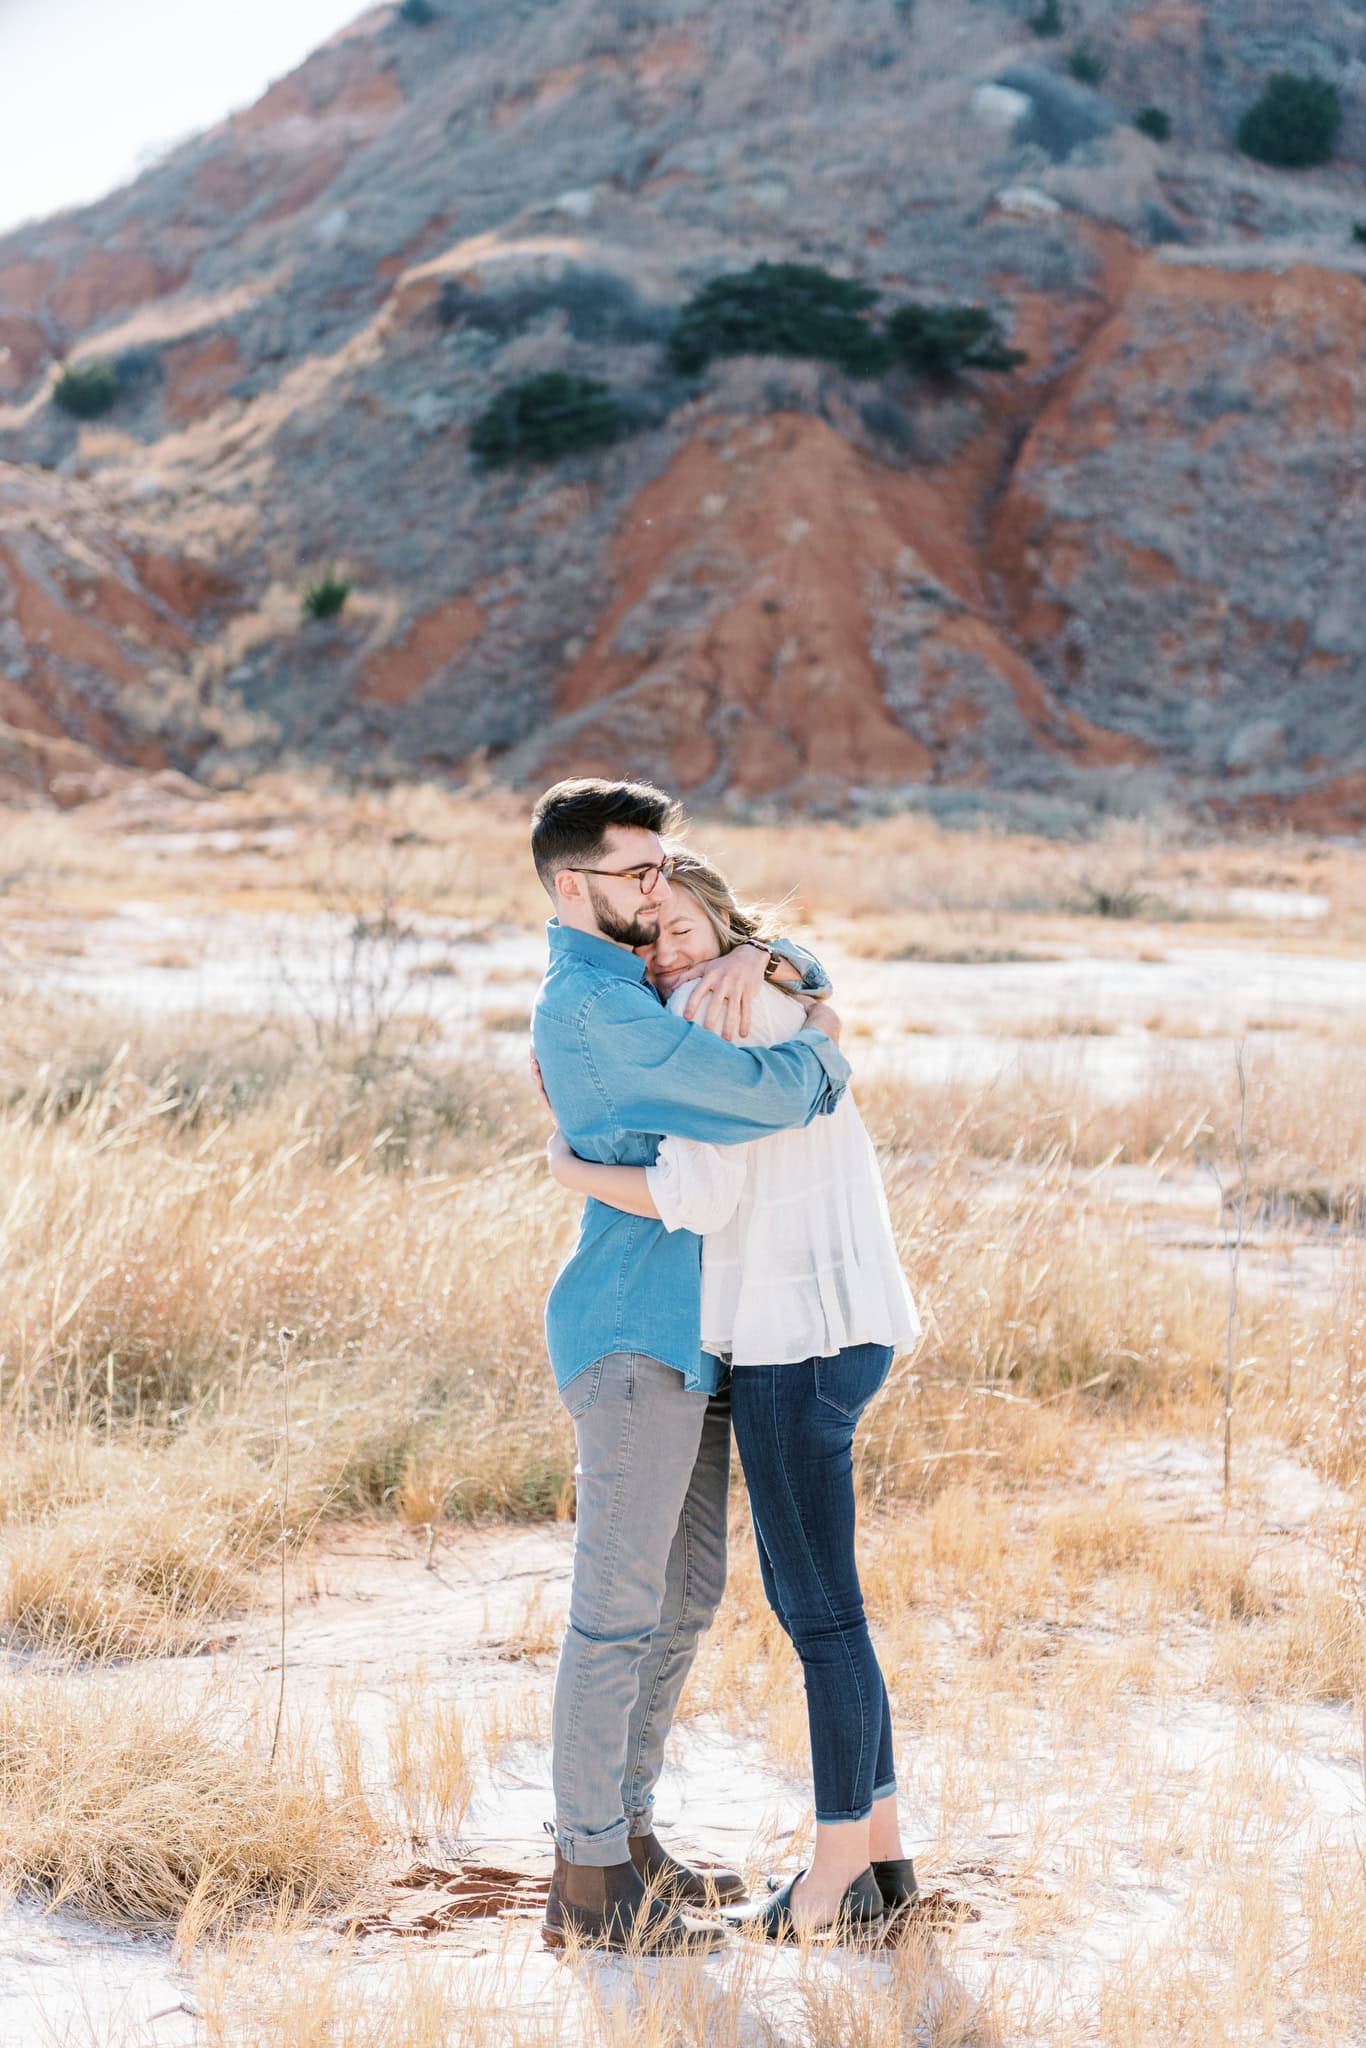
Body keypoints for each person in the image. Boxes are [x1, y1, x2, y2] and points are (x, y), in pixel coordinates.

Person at [545, 849, 922, 1943]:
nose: (666, 949)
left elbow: (694, 1195)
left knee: (822, 1620)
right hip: (847, 1327)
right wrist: (771, 956)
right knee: (834, 1615)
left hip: (791, 1341)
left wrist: (568, 1168)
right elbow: (820, 1009)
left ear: (718, 917)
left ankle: (831, 1882)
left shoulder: (715, 1022)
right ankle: (885, 1866)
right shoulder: (782, 997)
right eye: (645, 935)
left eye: (682, 925)